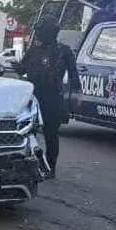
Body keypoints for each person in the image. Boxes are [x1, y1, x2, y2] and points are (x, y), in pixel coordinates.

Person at [20, 14, 76, 178]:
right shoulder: (34, 50)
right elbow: (22, 69)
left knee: (51, 134)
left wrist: (73, 97)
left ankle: (50, 167)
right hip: (34, 97)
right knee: (30, 133)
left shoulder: (64, 51)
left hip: (53, 98)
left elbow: (74, 76)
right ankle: (31, 165)